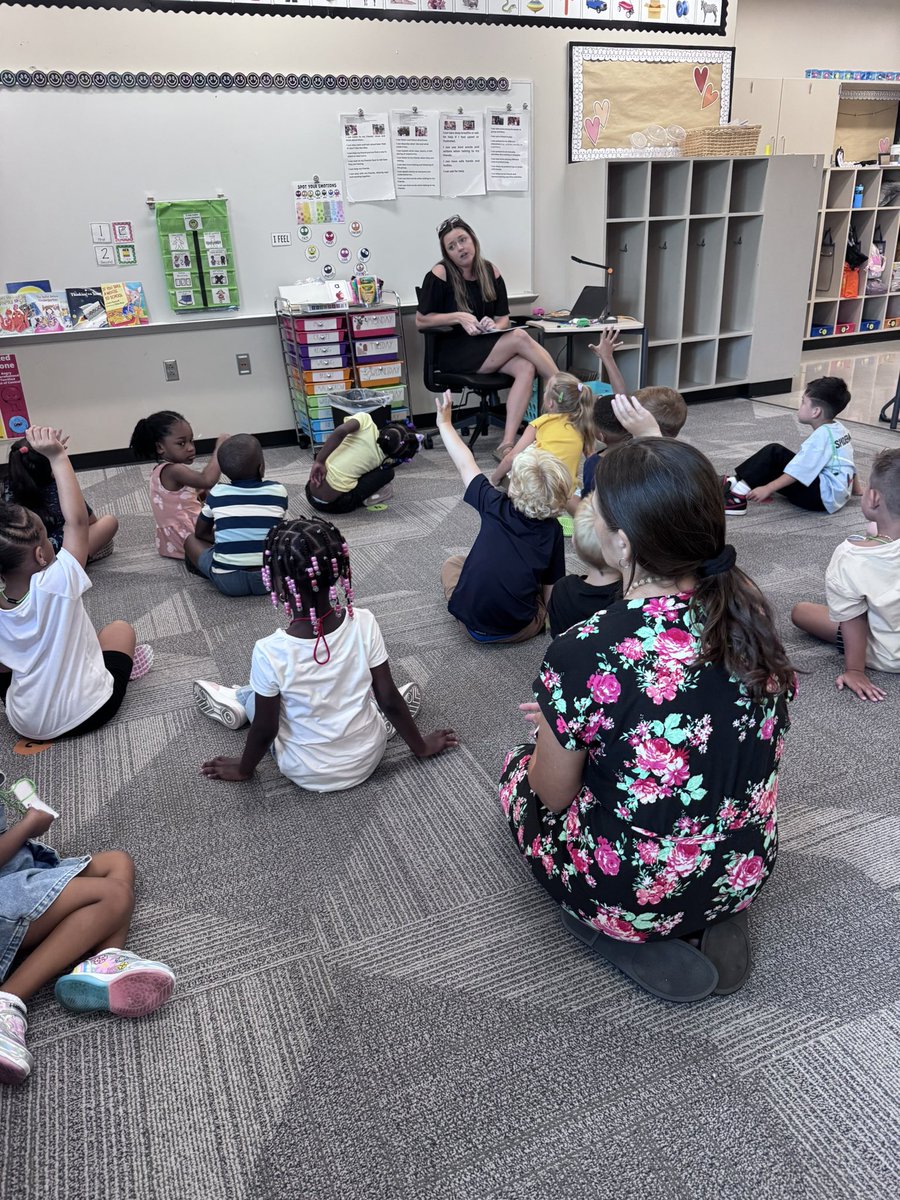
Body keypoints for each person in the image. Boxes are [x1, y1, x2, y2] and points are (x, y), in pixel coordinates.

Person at [500, 438, 795, 1002]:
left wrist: (554, 727)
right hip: (746, 863)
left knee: (518, 774)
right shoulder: (750, 612)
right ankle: (712, 910)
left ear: (622, 542)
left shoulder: (584, 649)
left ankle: (619, 929)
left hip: (633, 884)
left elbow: (555, 795)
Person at [195, 517, 458, 789]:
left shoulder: (268, 651)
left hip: (304, 769)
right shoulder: (364, 622)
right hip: (369, 756)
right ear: (337, 571)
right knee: (368, 692)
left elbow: (265, 729)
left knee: (259, 700)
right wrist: (421, 746)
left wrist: (243, 768)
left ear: (277, 584)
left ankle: (238, 700)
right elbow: (389, 697)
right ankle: (374, 723)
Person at [0, 788, 174, 1085]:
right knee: (114, 896)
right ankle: (8, 1000)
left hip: (16, 871)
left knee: (118, 862)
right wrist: (28, 825)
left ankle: (103, 964)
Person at [0, 427, 151, 743]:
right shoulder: (59, 579)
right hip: (90, 711)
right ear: (42, 554)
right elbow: (78, 522)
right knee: (120, 630)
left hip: (25, 723)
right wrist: (58, 456)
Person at [415, 215, 557, 461]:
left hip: (485, 345)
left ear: (473, 240)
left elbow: (503, 318)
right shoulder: (440, 273)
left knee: (526, 366)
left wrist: (493, 324)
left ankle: (506, 444)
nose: (460, 248)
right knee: (520, 337)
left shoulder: (490, 271)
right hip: (455, 352)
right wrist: (458, 316)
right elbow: (422, 320)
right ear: (447, 253)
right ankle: (565, 390)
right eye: (452, 246)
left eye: (463, 240)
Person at [435, 391, 568, 643]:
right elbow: (551, 588)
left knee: (452, 564)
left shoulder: (494, 503)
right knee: (551, 585)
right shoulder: (553, 531)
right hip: (517, 627)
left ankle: (471, 605)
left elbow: (465, 462)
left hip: (471, 625)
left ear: (513, 487)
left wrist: (445, 424)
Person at [791, 447, 900, 702]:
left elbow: (853, 618)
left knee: (801, 612)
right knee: (874, 529)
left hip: (886, 653)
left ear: (873, 498)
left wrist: (854, 670)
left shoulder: (850, 556)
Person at [723, 376, 854, 515]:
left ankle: (737, 497)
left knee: (774, 453)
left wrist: (767, 488)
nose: (800, 406)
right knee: (780, 457)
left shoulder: (819, 439)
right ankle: (736, 481)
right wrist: (855, 490)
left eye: (803, 402)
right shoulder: (840, 430)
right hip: (837, 494)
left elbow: (798, 471)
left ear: (816, 411)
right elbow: (849, 463)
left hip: (819, 499)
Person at [183, 434, 288, 597]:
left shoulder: (217, 493)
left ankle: (213, 568)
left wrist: (227, 541)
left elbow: (200, 533)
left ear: (224, 471)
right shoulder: (278, 491)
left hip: (228, 582)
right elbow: (280, 530)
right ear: (261, 467)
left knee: (190, 540)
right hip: (269, 580)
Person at [129, 411, 228, 559]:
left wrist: (203, 494)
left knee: (209, 492)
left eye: (191, 441)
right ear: (160, 447)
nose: (190, 448)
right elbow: (207, 479)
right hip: (189, 536)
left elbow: (179, 499)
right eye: (181, 443)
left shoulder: (159, 470)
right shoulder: (174, 470)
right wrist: (220, 449)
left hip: (171, 540)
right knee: (235, 536)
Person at [4, 436, 118, 563]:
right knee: (109, 522)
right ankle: (71, 562)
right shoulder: (60, 487)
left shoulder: (6, 488)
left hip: (16, 556)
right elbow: (88, 522)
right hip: (54, 551)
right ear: (52, 468)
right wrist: (59, 458)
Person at [489, 372, 597, 503]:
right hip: (566, 491)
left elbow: (512, 457)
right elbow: (592, 461)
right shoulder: (582, 425)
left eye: (545, 391)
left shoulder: (540, 423)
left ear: (550, 403)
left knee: (518, 462)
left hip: (539, 488)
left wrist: (494, 479)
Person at [305, 414, 419, 514]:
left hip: (311, 493)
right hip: (338, 505)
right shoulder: (385, 460)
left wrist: (319, 461)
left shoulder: (365, 421)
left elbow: (340, 431)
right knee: (388, 472)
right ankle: (367, 499)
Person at [547, 497, 622, 638]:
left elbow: (556, 635)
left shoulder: (562, 588)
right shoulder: (630, 594)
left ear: (574, 542)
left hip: (567, 656)